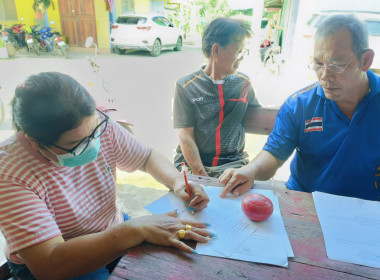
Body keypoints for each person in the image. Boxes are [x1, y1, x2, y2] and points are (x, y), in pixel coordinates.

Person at [0, 72, 211, 280]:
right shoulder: (9, 172)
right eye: (74, 145)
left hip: (113, 228)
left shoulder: (95, 124)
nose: (92, 145)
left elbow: (146, 157)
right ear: (36, 142)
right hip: (65, 257)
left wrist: (176, 181)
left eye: (94, 133)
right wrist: (135, 230)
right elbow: (50, 264)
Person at [219, 14, 380, 201]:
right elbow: (274, 154)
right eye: (319, 64)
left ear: (365, 60)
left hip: (367, 209)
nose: (325, 76)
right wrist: (250, 170)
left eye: (337, 66)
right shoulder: (300, 105)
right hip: (305, 201)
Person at [173, 17, 261, 178]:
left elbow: (262, 116)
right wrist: (203, 177)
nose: (242, 57)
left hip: (233, 165)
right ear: (216, 50)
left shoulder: (243, 84)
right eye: (238, 51)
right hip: (193, 165)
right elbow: (185, 136)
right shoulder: (186, 86)